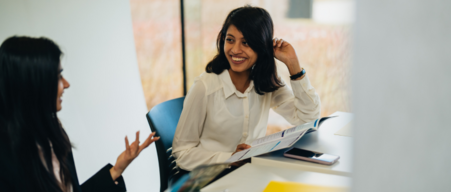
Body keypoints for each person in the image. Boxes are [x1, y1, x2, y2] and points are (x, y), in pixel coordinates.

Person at [172, 6, 321, 174]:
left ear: (261, 46)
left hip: (249, 173)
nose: (235, 50)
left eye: (246, 42)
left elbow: (308, 118)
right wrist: (229, 158)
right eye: (230, 40)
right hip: (210, 176)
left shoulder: (266, 82)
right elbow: (182, 153)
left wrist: (293, 65)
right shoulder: (205, 87)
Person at [0, 36, 159, 192]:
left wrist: (117, 168)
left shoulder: (54, 133)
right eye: (58, 76)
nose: (66, 84)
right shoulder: (7, 162)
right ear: (34, 84)